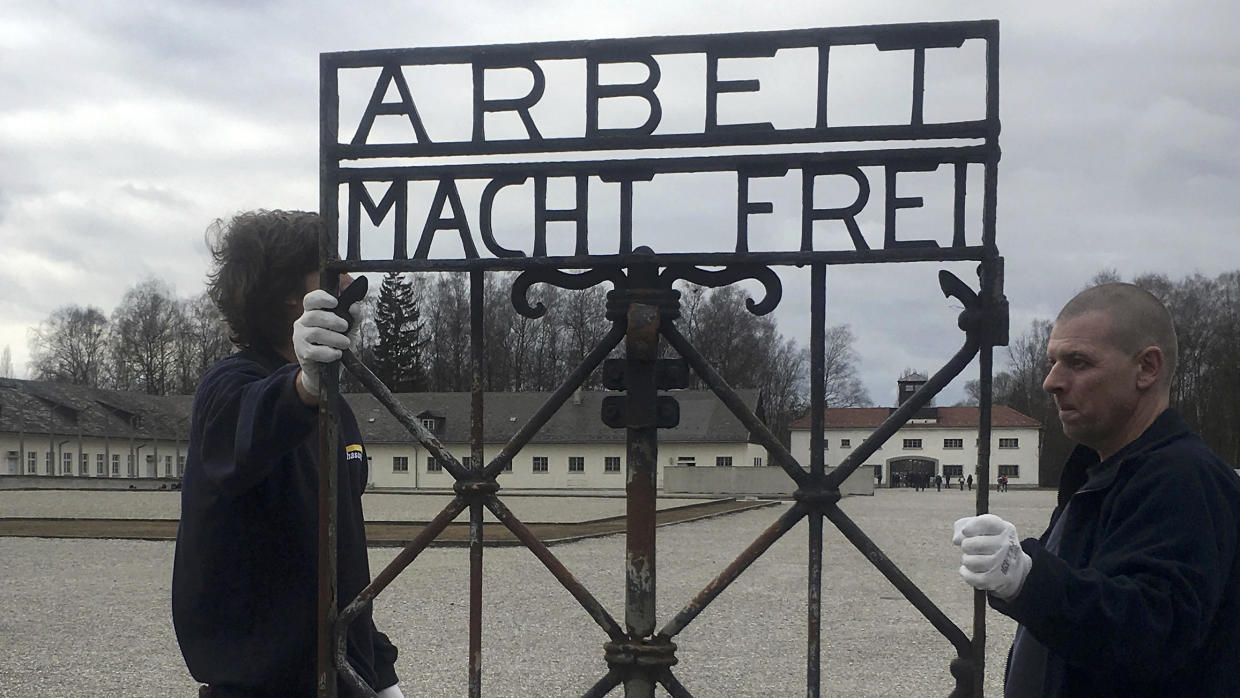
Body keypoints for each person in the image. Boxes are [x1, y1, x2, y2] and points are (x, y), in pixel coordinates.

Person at [951, 283, 1240, 697]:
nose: (1051, 381)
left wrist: (1027, 579)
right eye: (1052, 362)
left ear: (1147, 368)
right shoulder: (1103, 473)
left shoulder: (1185, 477)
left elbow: (1157, 631)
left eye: (1078, 362)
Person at [172, 210, 404, 697]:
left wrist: (379, 672)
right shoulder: (229, 386)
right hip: (263, 685)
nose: (351, 280)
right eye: (332, 268)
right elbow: (252, 426)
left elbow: (340, 556)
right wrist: (302, 385)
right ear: (289, 294)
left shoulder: (336, 405)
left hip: (342, 674)